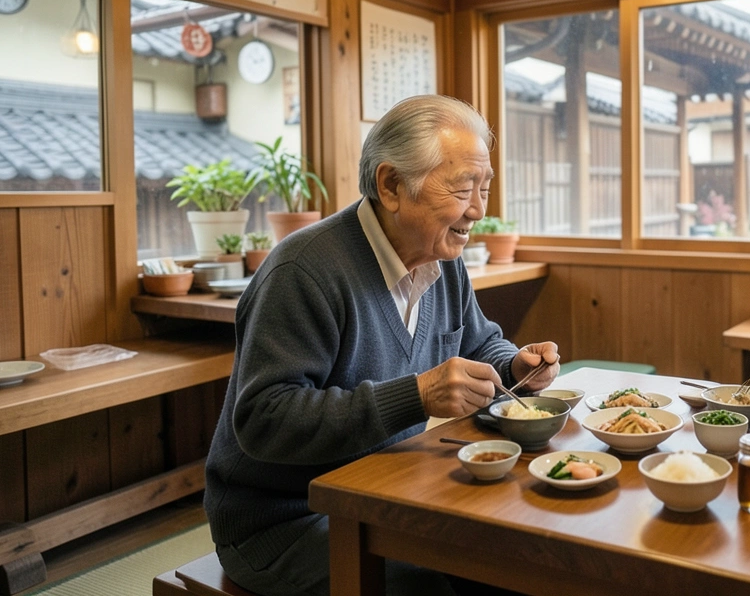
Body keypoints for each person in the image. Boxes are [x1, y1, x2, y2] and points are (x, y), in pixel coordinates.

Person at [205, 94, 560, 596]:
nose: (478, 210)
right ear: (391, 185)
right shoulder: (303, 271)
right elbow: (263, 419)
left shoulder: (444, 258)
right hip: (284, 520)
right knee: (438, 585)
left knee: (516, 556)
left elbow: (481, 343)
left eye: (484, 187)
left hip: (384, 489)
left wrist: (516, 364)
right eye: (463, 188)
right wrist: (416, 396)